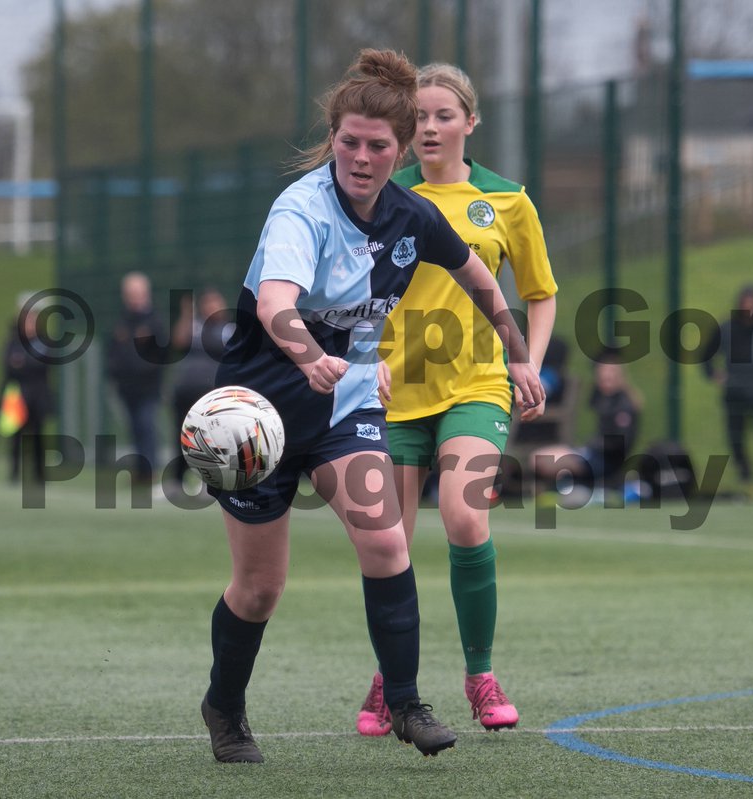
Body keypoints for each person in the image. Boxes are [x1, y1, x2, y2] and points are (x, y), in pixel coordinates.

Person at [199, 50, 544, 764]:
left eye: (378, 146)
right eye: (349, 142)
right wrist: (308, 355)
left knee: (387, 544)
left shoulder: (412, 215)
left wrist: (516, 352)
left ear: (400, 148)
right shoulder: (301, 209)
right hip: (258, 419)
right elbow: (274, 302)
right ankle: (224, 706)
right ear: (334, 139)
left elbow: (479, 277)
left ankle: (406, 702)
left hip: (345, 407)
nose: (361, 157)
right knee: (260, 588)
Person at [354, 62, 558, 737]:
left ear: (470, 121)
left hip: (476, 384)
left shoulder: (507, 200)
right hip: (390, 392)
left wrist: (528, 362)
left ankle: (480, 676)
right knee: (389, 542)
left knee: (466, 519)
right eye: (420, 117)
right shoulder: (381, 195)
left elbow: (540, 293)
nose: (430, 127)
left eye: (444, 115)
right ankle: (390, 681)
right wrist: (359, 358)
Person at [701, 283, 753, 484]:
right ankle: (744, 472)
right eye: (746, 303)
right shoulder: (726, 328)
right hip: (735, 392)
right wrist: (715, 375)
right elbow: (706, 355)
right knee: (736, 436)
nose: (749, 308)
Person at [527, 352, 641, 498]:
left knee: (542, 461)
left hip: (603, 461)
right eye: (602, 376)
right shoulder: (602, 399)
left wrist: (587, 450)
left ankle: (566, 488)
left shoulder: (623, 405)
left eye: (610, 376)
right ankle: (560, 488)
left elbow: (619, 443)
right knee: (538, 457)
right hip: (591, 454)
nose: (605, 380)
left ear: (619, 376)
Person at [105, 271, 169, 487]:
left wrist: (146, 370)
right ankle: (141, 471)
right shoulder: (122, 321)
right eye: (130, 294)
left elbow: (161, 355)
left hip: (148, 388)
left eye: (137, 293)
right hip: (126, 387)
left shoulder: (155, 322)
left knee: (146, 426)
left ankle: (151, 471)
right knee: (134, 430)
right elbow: (113, 352)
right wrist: (115, 373)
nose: (134, 298)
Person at [168, 286, 233, 492]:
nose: (211, 307)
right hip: (186, 391)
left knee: (210, 438)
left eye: (215, 302)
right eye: (207, 303)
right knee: (183, 436)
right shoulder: (194, 326)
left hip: (212, 394)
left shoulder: (228, 329)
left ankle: (210, 483)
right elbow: (178, 342)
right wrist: (187, 314)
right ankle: (177, 481)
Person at [0, 294, 54, 485]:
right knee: (16, 436)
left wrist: (23, 363)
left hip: (38, 395)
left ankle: (40, 474)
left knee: (38, 435)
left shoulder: (43, 341)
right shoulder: (13, 340)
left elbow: (42, 364)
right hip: (18, 396)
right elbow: (8, 365)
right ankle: (14, 472)